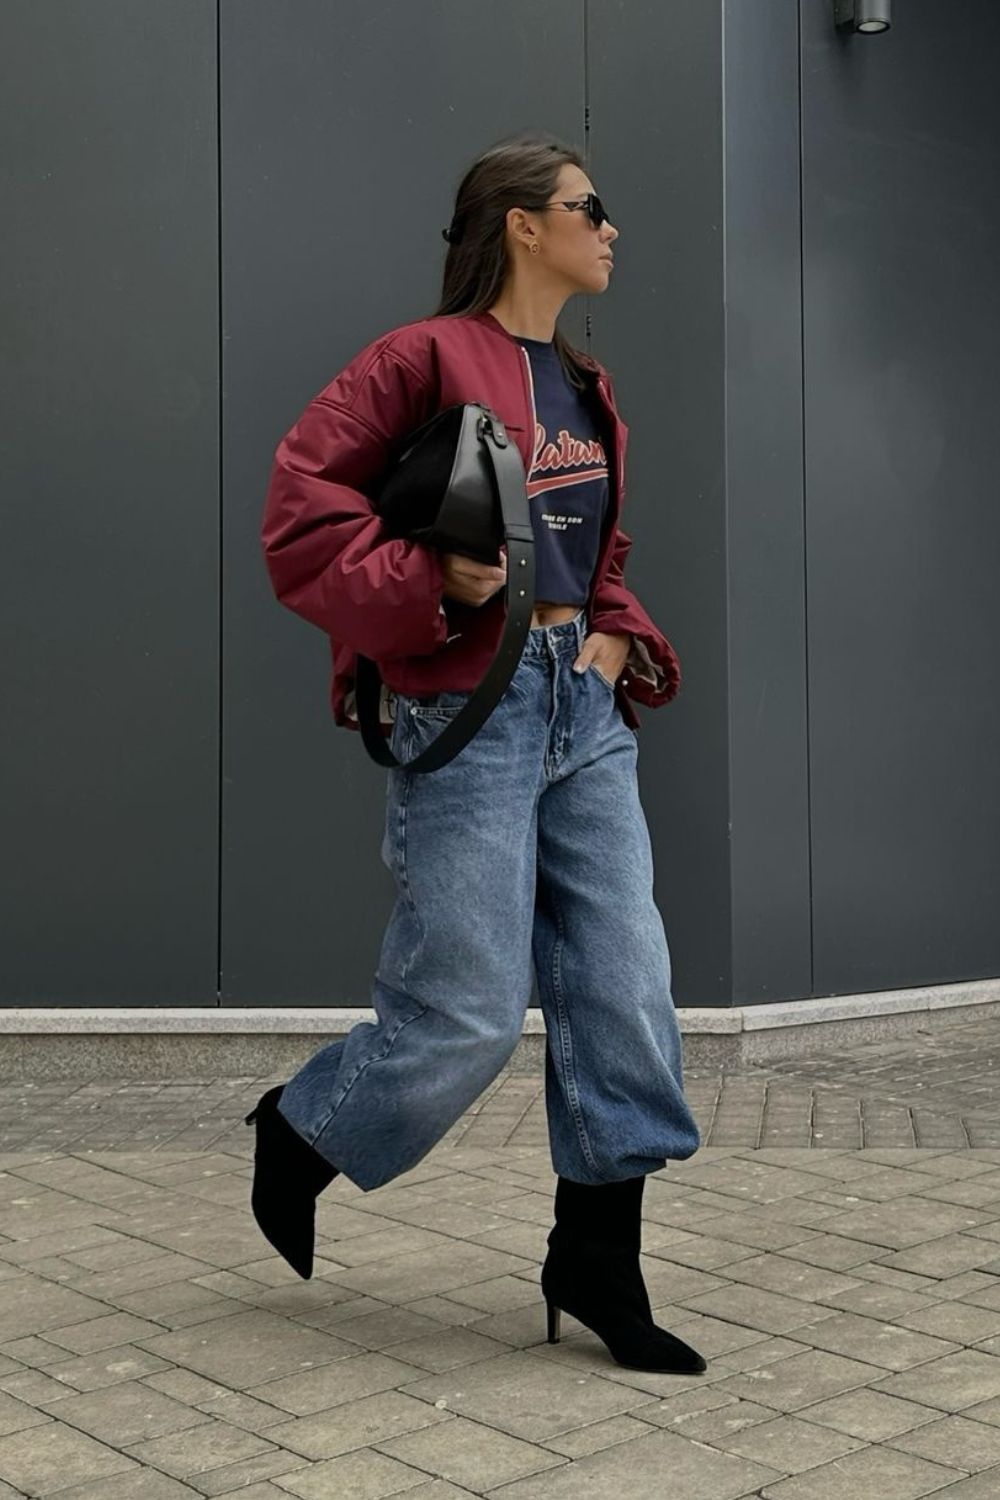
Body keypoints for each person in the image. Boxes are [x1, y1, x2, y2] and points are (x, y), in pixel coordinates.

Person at [250, 130, 706, 1376]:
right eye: (589, 208)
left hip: (581, 710)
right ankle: (301, 1130)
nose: (609, 229)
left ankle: (597, 1259)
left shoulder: (583, 381)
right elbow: (300, 519)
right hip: (471, 703)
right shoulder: (419, 359)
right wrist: (427, 579)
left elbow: (595, 550)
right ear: (521, 222)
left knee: (625, 988)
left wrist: (613, 634)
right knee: (464, 1011)